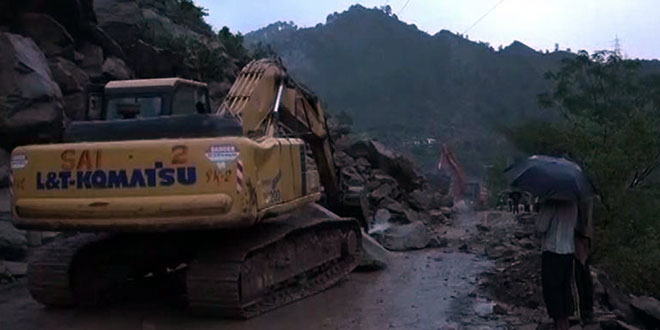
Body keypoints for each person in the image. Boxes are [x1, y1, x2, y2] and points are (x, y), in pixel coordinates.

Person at [537, 198, 578, 330]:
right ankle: (564, 322)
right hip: (569, 250)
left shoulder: (551, 203)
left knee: (552, 289)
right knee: (565, 287)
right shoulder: (573, 203)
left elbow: (540, 227)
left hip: (553, 250)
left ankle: (559, 323)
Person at [574, 197, 595, 322]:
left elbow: (583, 222)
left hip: (580, 240)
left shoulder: (580, 200)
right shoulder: (587, 196)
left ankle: (584, 310)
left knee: (580, 276)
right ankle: (587, 309)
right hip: (586, 239)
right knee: (585, 275)